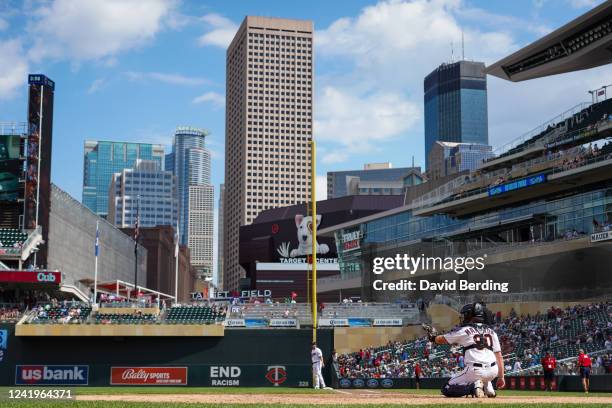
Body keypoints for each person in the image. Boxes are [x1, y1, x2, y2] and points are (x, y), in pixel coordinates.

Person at [423, 302, 505, 398]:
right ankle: (488, 387)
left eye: (465, 314)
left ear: (470, 315)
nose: (464, 317)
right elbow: (499, 356)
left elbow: (441, 339)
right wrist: (501, 377)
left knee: (446, 388)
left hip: (475, 370)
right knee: (483, 373)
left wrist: (433, 337)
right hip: (493, 372)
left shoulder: (464, 330)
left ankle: (473, 387)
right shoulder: (492, 332)